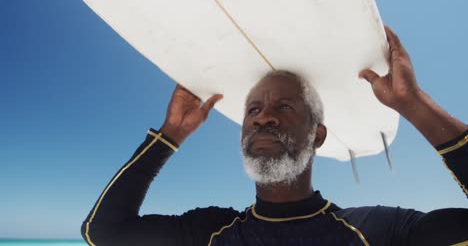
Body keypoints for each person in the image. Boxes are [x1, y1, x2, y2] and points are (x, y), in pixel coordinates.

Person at [81, 27, 467, 246]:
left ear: (318, 135)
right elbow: (102, 232)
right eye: (252, 110)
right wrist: (167, 137)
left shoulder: (377, 232)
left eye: (284, 107)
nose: (263, 118)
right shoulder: (210, 233)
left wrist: (414, 105)